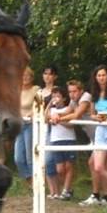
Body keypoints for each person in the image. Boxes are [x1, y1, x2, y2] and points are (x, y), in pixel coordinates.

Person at [80, 65, 107, 206]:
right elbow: (92, 113)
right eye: (99, 75)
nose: (101, 78)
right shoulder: (95, 93)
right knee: (98, 166)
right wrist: (96, 118)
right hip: (101, 129)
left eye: (103, 75)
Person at [48, 85, 77, 200]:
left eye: (58, 96)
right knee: (60, 169)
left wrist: (58, 120)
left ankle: (66, 190)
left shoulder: (67, 109)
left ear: (64, 98)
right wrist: (49, 104)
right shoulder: (52, 110)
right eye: (53, 96)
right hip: (55, 140)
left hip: (69, 139)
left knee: (69, 166)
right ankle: (67, 188)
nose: (55, 98)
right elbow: (45, 118)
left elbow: (71, 124)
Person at [14, 67, 40, 185]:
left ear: (32, 77)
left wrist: (32, 114)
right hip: (19, 124)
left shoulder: (36, 89)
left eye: (27, 75)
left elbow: (39, 105)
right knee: (18, 158)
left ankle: (36, 182)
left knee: (30, 156)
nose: (25, 78)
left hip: (30, 124)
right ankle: (29, 179)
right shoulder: (16, 90)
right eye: (22, 75)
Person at [39, 65, 62, 198]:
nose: (47, 76)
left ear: (55, 77)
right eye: (45, 74)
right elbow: (36, 109)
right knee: (43, 159)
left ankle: (58, 190)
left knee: (50, 159)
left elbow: (58, 107)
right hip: (42, 126)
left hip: (53, 127)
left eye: (50, 74)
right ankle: (52, 190)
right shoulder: (40, 92)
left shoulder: (57, 91)